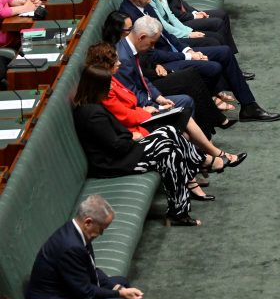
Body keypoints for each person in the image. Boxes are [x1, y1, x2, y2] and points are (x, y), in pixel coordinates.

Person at [120, 0, 279, 122]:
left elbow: (167, 35)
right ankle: (209, 105)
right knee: (213, 67)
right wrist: (187, 56)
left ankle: (249, 106)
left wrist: (186, 49)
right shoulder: (128, 17)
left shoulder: (145, 5)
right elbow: (149, 55)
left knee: (224, 52)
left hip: (173, 52)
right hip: (160, 63)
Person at [84, 42, 245, 187]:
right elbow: (124, 116)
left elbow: (131, 102)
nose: (119, 63)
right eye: (115, 62)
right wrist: (147, 112)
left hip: (139, 118)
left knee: (182, 118)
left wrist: (147, 109)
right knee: (179, 123)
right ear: (105, 65)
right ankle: (210, 160)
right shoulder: (104, 89)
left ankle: (202, 165)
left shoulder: (112, 80)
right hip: (135, 128)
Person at [73, 64, 205, 226]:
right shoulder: (92, 114)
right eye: (106, 86)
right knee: (167, 141)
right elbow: (117, 146)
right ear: (95, 88)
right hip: (113, 163)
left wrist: (130, 136)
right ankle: (200, 162)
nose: (109, 91)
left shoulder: (92, 106)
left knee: (170, 142)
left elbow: (117, 137)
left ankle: (178, 210)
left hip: (122, 153)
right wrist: (132, 137)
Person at [113, 14, 233, 136]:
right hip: (140, 108)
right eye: (151, 43)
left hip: (147, 95)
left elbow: (142, 79)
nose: (152, 47)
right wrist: (157, 106)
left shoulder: (129, 47)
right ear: (142, 37)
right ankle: (199, 145)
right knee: (185, 100)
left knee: (186, 99)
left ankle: (198, 144)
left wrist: (159, 97)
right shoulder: (123, 59)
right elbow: (132, 95)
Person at [25, 195, 144, 299]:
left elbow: (91, 270)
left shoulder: (77, 232)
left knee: (121, 282)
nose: (101, 234)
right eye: (101, 229)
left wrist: (119, 289)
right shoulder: (71, 246)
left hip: (70, 287)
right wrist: (120, 293)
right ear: (88, 222)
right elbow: (85, 293)